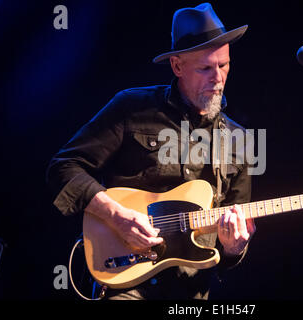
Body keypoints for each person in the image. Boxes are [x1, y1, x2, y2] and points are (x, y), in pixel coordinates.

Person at [46, 3, 256, 300]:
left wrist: (235, 246)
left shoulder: (239, 140)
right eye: (205, 68)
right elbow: (64, 168)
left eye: (223, 65)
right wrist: (116, 215)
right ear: (177, 66)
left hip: (191, 292)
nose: (218, 78)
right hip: (126, 279)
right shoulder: (132, 107)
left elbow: (231, 243)